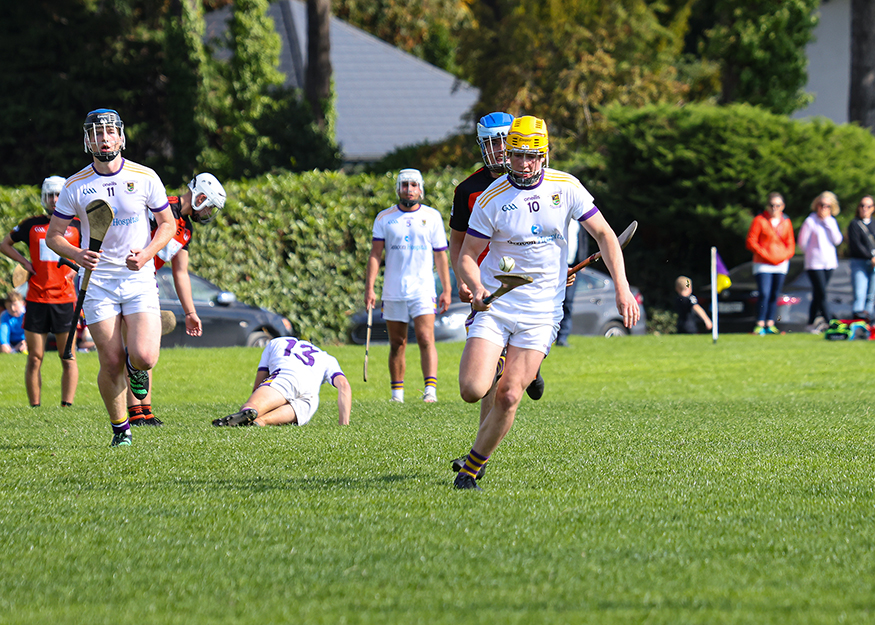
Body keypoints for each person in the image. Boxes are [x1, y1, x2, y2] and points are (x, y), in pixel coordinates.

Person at [453, 115, 639, 490]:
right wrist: (475, 285)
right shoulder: (490, 198)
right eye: (519, 155)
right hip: (497, 303)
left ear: (545, 155)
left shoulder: (566, 187)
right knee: (472, 389)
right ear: (508, 155)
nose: (526, 164)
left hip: (541, 312)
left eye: (533, 156)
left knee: (508, 395)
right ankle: (507, 361)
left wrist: (622, 286)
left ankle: (472, 468)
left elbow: (604, 234)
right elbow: (467, 255)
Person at [46, 108, 175, 447]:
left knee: (144, 357)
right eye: (96, 134)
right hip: (98, 282)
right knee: (111, 359)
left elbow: (167, 225)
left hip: (139, 277)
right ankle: (121, 430)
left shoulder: (145, 176)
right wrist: (76, 255)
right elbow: (54, 235)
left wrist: (146, 254)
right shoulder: (76, 185)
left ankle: (137, 370)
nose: (104, 139)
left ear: (121, 136)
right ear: (88, 140)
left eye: (109, 132)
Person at [125, 172, 227, 427]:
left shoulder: (186, 229)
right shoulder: (160, 206)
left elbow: (180, 272)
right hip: (124, 279)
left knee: (147, 350)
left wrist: (190, 312)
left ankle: (145, 410)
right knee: (131, 350)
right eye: (210, 206)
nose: (209, 213)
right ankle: (133, 411)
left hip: (147, 283)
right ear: (201, 197)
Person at [364, 168, 451, 403]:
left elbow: (441, 255)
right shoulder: (384, 218)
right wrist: (370, 289)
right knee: (397, 342)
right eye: (404, 185)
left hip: (422, 289)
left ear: (421, 189)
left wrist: (447, 289)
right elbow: (375, 255)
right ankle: (397, 395)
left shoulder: (432, 217)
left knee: (425, 338)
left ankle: (430, 392)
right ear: (398, 188)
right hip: (393, 290)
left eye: (413, 185)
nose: (409, 189)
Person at [0, 176, 81, 406]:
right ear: (44, 197)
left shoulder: (77, 224)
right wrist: (25, 263)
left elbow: (92, 250)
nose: (55, 200)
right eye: (50, 195)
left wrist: (78, 267)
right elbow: (5, 244)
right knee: (35, 358)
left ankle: (67, 407)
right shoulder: (31, 225)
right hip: (36, 299)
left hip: (65, 299)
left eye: (59, 195)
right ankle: (35, 407)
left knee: (68, 356)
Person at [212, 336, 351, 426]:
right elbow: (344, 385)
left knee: (254, 406)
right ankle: (260, 422)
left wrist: (255, 400)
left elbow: (259, 383)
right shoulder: (327, 358)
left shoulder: (275, 343)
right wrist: (343, 425)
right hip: (311, 393)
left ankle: (249, 412)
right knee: (302, 405)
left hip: (285, 377)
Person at [745, 192, 796, 335]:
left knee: (775, 294)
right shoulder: (759, 220)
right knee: (764, 293)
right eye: (772, 205)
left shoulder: (786, 221)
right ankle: (760, 322)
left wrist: (783, 256)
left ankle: (770, 322)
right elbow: (751, 241)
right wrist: (765, 254)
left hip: (780, 263)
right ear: (767, 206)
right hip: (763, 263)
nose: (775, 208)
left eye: (778, 205)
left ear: (783, 206)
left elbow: (790, 243)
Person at [798, 191, 843, 333]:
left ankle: (811, 323)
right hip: (814, 263)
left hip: (829, 263)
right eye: (821, 205)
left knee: (818, 294)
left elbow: (837, 240)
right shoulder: (810, 221)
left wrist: (827, 222)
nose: (823, 208)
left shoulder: (832, 221)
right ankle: (829, 322)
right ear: (816, 205)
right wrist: (812, 253)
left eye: (827, 206)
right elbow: (802, 243)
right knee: (822, 292)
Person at [846, 195, 875, 320]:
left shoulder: (874, 224)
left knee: (871, 296)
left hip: (874, 263)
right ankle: (858, 321)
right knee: (860, 293)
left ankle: (868, 322)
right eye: (862, 205)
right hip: (860, 262)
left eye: (868, 206)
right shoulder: (854, 224)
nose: (865, 209)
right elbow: (856, 245)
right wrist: (871, 257)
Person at [556, 218, 583, 346]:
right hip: (556, 266)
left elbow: (583, 243)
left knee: (568, 302)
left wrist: (582, 262)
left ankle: (563, 337)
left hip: (574, 267)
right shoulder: (558, 220)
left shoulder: (580, 223)